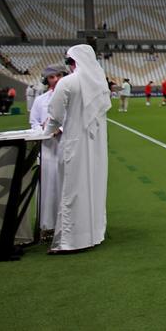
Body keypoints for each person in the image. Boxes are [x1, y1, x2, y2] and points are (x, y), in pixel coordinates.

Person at [43, 44, 110, 254]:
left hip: (74, 141)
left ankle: (71, 239)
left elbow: (55, 114)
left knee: (72, 188)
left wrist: (45, 133)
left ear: (73, 62)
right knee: (94, 185)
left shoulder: (68, 82)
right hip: (97, 144)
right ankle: (93, 232)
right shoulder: (99, 83)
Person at [31, 64, 68, 240]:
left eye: (59, 76)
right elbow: (34, 122)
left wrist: (59, 129)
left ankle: (65, 224)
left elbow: (73, 119)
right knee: (47, 186)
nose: (56, 80)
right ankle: (46, 226)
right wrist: (44, 131)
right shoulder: (40, 100)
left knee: (64, 185)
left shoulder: (70, 98)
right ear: (47, 80)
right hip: (46, 149)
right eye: (52, 77)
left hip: (64, 145)